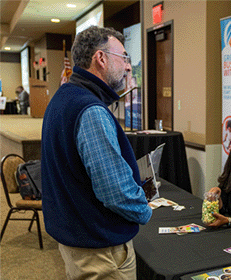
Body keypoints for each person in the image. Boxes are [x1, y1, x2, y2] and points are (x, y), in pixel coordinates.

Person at [41, 26, 153, 279]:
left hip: (77, 240)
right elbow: (114, 192)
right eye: (124, 58)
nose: (128, 67)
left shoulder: (64, 97)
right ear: (101, 59)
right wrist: (145, 210)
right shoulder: (90, 110)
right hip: (100, 252)